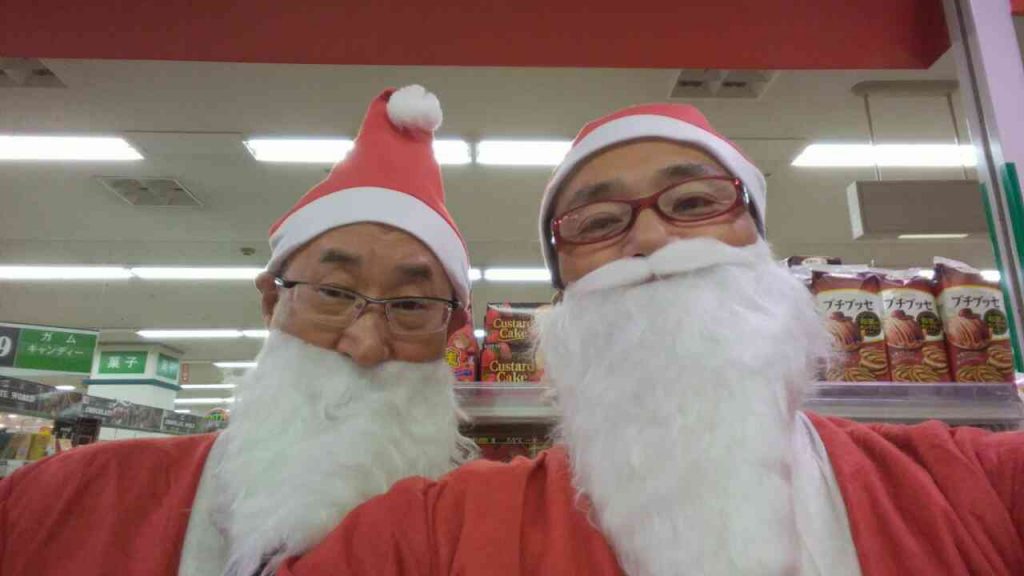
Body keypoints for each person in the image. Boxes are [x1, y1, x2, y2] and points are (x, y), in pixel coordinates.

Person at [280, 103, 1024, 576]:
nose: (654, 238)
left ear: (760, 247)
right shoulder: (439, 530)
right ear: (563, 298)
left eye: (695, 202)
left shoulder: (973, 484)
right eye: (599, 223)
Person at [0, 85, 479, 576]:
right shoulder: (58, 502)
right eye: (335, 293)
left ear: (451, 332)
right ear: (272, 302)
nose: (367, 345)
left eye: (411, 305)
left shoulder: (489, 538)